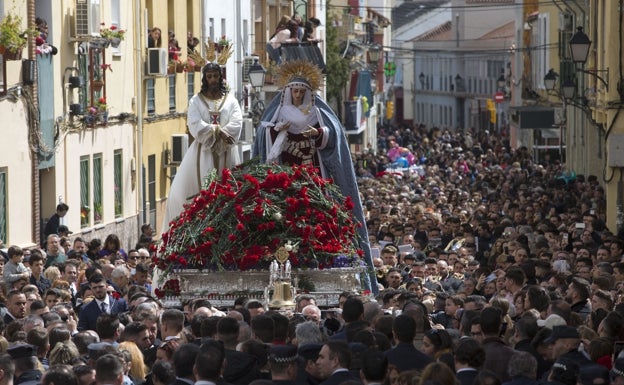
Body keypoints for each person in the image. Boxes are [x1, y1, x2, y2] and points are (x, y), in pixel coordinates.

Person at [253, 60, 377, 293]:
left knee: (318, 205)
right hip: (286, 168)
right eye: (295, 91)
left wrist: (319, 133)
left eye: (302, 91)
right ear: (289, 92)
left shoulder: (317, 110)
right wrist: (276, 130)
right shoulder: (278, 110)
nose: (298, 95)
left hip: (312, 166)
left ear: (308, 92)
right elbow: (263, 132)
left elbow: (335, 134)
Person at [161, 62, 243, 231]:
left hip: (226, 151)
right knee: (186, 191)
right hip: (202, 151)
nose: (212, 79)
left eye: (215, 76)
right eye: (209, 76)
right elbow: (194, 123)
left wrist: (225, 134)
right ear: (205, 78)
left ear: (220, 77)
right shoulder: (196, 101)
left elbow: (237, 122)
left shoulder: (231, 101)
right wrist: (217, 131)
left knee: (229, 186)